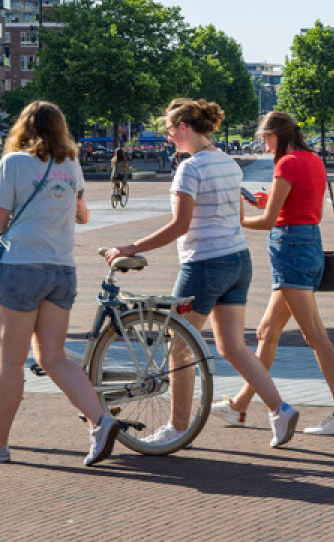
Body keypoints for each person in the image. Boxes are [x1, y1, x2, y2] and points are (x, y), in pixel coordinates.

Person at [102, 99, 300, 448]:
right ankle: (279, 409)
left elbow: (180, 225)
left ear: (183, 128)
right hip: (237, 260)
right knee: (233, 346)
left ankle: (179, 429)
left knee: (179, 348)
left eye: (168, 131)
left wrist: (131, 248)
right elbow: (238, 217)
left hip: (204, 264)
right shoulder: (229, 164)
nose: (168, 138)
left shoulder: (189, 169)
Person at [0, 100, 118, 466]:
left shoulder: (13, 163)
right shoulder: (71, 163)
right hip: (61, 269)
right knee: (54, 356)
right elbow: (81, 214)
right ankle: (101, 420)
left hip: (21, 267)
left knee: (10, 362)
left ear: (24, 129)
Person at [219, 111, 334, 437]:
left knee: (315, 336)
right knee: (267, 331)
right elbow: (305, 205)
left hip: (290, 249)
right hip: (307, 242)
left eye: (266, 139)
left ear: (278, 135)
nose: (265, 146)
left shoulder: (287, 163)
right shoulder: (313, 160)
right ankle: (238, 405)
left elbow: (268, 221)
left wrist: (236, 221)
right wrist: (271, 204)